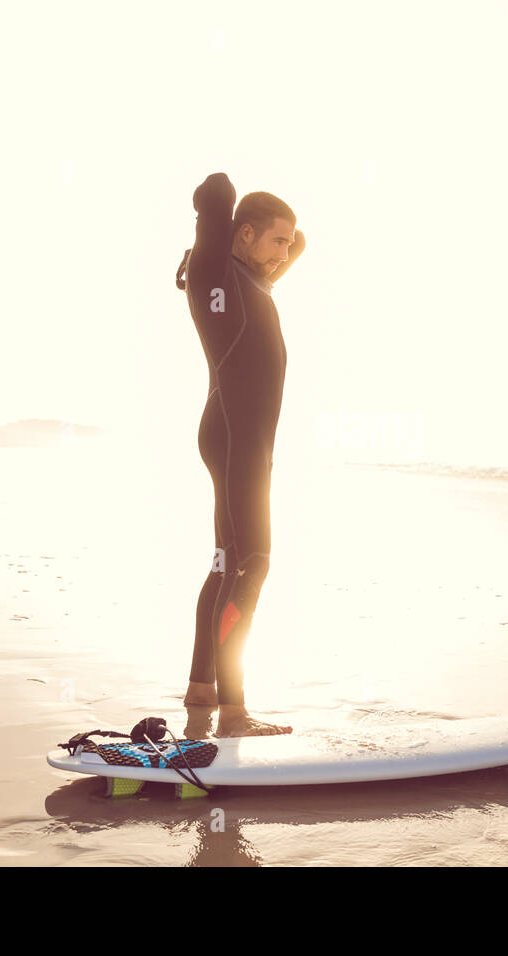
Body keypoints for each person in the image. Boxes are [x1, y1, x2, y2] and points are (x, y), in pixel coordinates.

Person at [175, 172, 305, 738]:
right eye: (275, 241)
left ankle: (203, 689)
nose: (285, 254)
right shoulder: (212, 276)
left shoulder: (254, 280)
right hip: (237, 434)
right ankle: (234, 711)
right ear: (244, 233)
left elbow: (301, 243)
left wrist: (274, 241)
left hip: (235, 433)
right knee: (252, 560)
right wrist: (224, 237)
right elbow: (218, 189)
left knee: (227, 560)